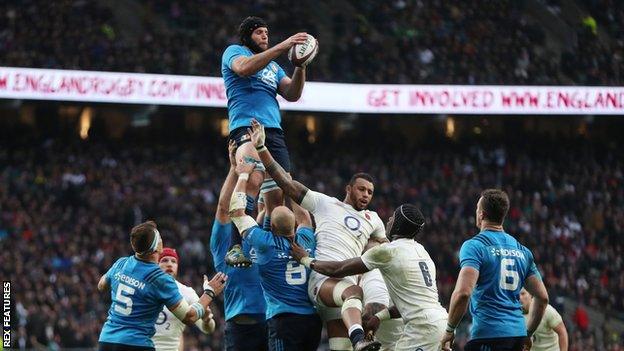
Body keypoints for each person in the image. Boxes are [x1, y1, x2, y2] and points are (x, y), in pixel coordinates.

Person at [250, 120, 385, 351]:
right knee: (354, 293)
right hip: (323, 281)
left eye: (370, 192)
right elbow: (288, 184)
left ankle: (355, 337)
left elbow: (381, 250)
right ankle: (359, 339)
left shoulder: (374, 220)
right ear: (348, 189)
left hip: (343, 295)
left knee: (340, 347)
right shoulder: (325, 204)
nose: (366, 195)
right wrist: (262, 149)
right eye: (361, 189)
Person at [222, 16, 317, 267]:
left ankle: (270, 253)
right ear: (248, 36)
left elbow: (293, 94)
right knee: (250, 178)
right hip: (246, 127)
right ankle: (235, 246)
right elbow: (243, 68)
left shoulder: (274, 68)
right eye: (260, 33)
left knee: (278, 197)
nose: (265, 36)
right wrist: (284, 46)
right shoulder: (235, 52)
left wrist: (301, 65)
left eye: (267, 32)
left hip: (274, 133)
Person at [291, 204, 448, 351]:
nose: (388, 220)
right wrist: (379, 317)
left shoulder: (387, 251)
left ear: (397, 225)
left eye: (392, 217)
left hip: (422, 329)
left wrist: (306, 260)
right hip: (441, 322)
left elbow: (339, 269)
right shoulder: (422, 252)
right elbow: (412, 304)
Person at [229, 161, 322, 351]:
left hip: (284, 320)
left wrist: (243, 176)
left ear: (271, 228)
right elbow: (304, 216)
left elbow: (237, 213)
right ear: (294, 224)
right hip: (312, 320)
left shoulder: (265, 243)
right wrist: (288, 185)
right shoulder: (306, 239)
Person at [441, 189, 549, 351]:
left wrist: (450, 330)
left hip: (488, 336)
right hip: (517, 337)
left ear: (482, 215)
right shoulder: (523, 251)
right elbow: (542, 298)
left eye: (477, 209)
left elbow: (463, 293)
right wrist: (528, 332)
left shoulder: (475, 246)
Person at [97, 221, 227, 351]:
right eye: (159, 237)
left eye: (173, 261)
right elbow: (189, 317)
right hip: (136, 343)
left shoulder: (121, 263)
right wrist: (209, 293)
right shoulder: (159, 279)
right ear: (156, 248)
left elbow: (102, 285)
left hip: (106, 340)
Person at [210, 141, 268, 351]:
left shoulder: (263, 236)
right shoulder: (225, 241)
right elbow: (224, 208)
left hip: (273, 323)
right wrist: (235, 171)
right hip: (241, 328)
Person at [152, 247, 216, 351]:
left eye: (174, 261)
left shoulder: (187, 293)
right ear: (156, 265)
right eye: (164, 260)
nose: (169, 264)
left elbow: (208, 329)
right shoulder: (145, 287)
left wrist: (207, 319)